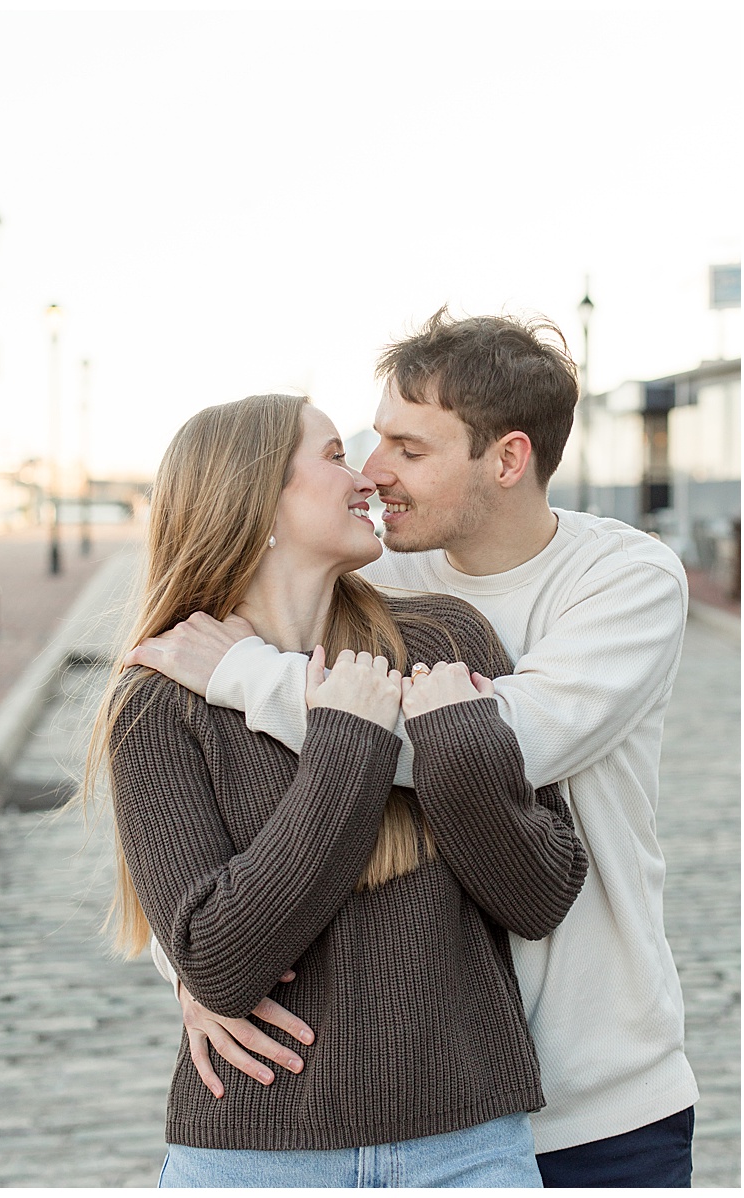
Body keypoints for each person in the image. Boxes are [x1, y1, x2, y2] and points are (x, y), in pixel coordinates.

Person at [130, 310, 698, 1187]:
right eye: (365, 444)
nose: (373, 471)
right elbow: (194, 838)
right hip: (404, 1099)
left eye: (409, 448)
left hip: (594, 1094)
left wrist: (254, 677)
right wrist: (196, 969)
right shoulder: (378, 580)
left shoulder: (621, 580)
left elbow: (511, 746)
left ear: (506, 459)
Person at [87, 393, 587, 1187]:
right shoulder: (157, 704)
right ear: (258, 505)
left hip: (470, 1150)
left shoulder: (443, 638)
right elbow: (219, 966)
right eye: (331, 457)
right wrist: (351, 742)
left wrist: (454, 741)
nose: (364, 478)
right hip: (253, 1161)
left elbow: (539, 894)